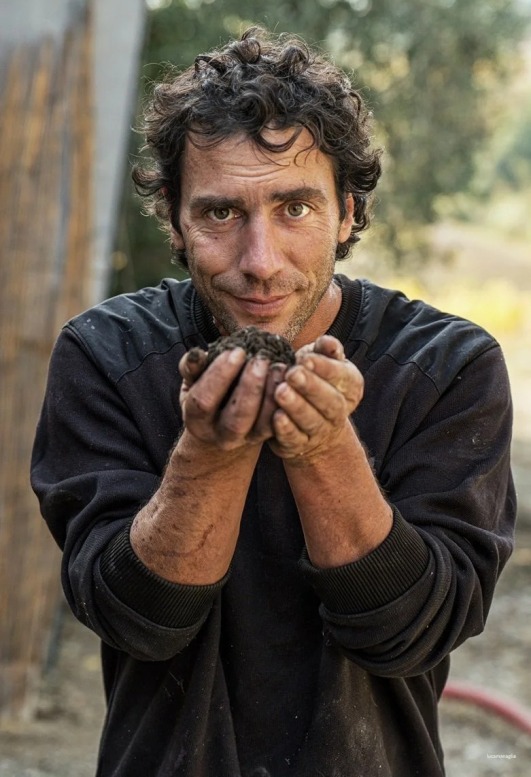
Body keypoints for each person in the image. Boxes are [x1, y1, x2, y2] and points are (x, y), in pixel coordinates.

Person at [31, 27, 516, 777]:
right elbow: (137, 621)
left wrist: (324, 449)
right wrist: (210, 453)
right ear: (176, 219)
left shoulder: (447, 368)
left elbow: (413, 632)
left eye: (294, 209)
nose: (259, 263)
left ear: (347, 211)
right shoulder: (108, 355)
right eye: (221, 213)